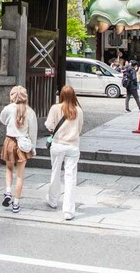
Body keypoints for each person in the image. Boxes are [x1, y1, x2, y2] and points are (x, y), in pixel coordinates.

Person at [45, 85, 84, 220]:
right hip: (73, 146)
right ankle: (68, 210)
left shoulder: (55, 108)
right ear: (74, 95)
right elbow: (79, 129)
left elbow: (49, 125)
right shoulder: (78, 110)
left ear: (61, 95)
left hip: (58, 145)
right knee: (70, 177)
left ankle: (53, 200)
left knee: (55, 172)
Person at [0, 85, 37, 213]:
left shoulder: (8, 109)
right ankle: (16, 203)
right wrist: (33, 147)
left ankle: (8, 191)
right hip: (23, 144)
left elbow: (2, 120)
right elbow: (33, 132)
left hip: (10, 141)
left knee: (9, 169)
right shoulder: (30, 111)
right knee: (20, 175)